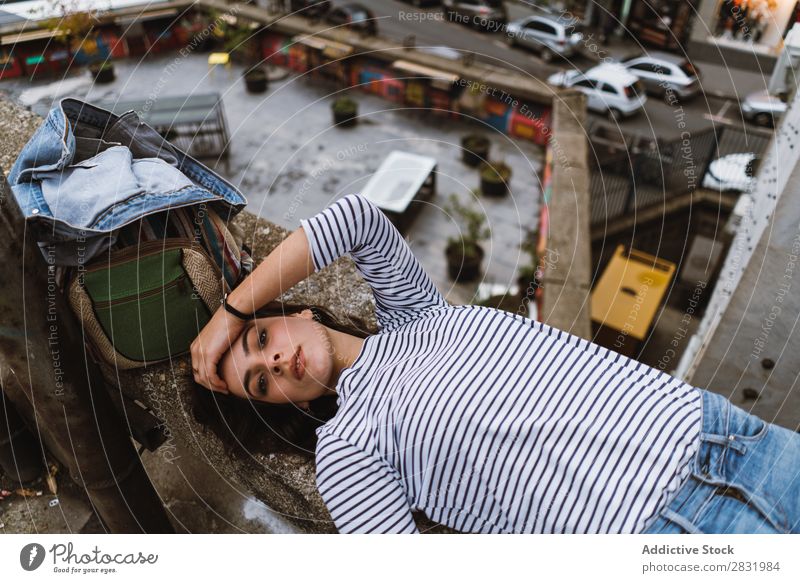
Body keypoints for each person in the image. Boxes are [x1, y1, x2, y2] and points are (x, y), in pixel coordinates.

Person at [191, 193, 800, 534]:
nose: (275, 359)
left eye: (262, 337)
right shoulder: (348, 451)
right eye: (262, 382)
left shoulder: (417, 313)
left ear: (302, 313)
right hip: (665, 530)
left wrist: (231, 310)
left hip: (731, 436)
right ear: (291, 404)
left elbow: (355, 217)